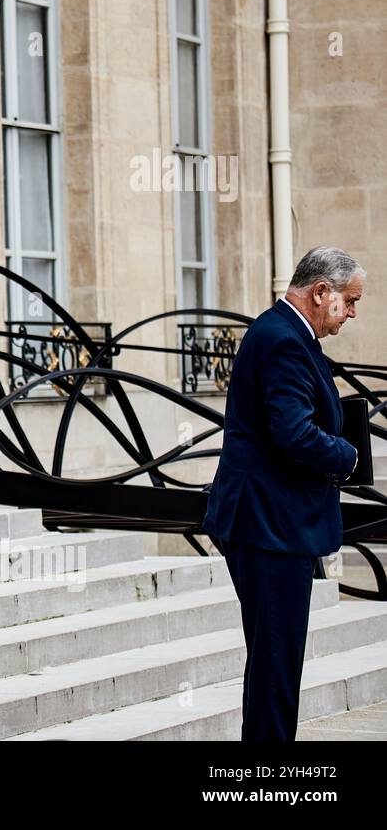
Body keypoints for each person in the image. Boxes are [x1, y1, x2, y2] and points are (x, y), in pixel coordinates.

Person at [202, 246, 366, 740]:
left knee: (275, 664)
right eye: (350, 301)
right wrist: (349, 456)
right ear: (321, 292)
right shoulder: (283, 340)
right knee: (276, 666)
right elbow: (293, 433)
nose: (353, 312)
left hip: (271, 522)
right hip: (267, 525)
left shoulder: (285, 332)